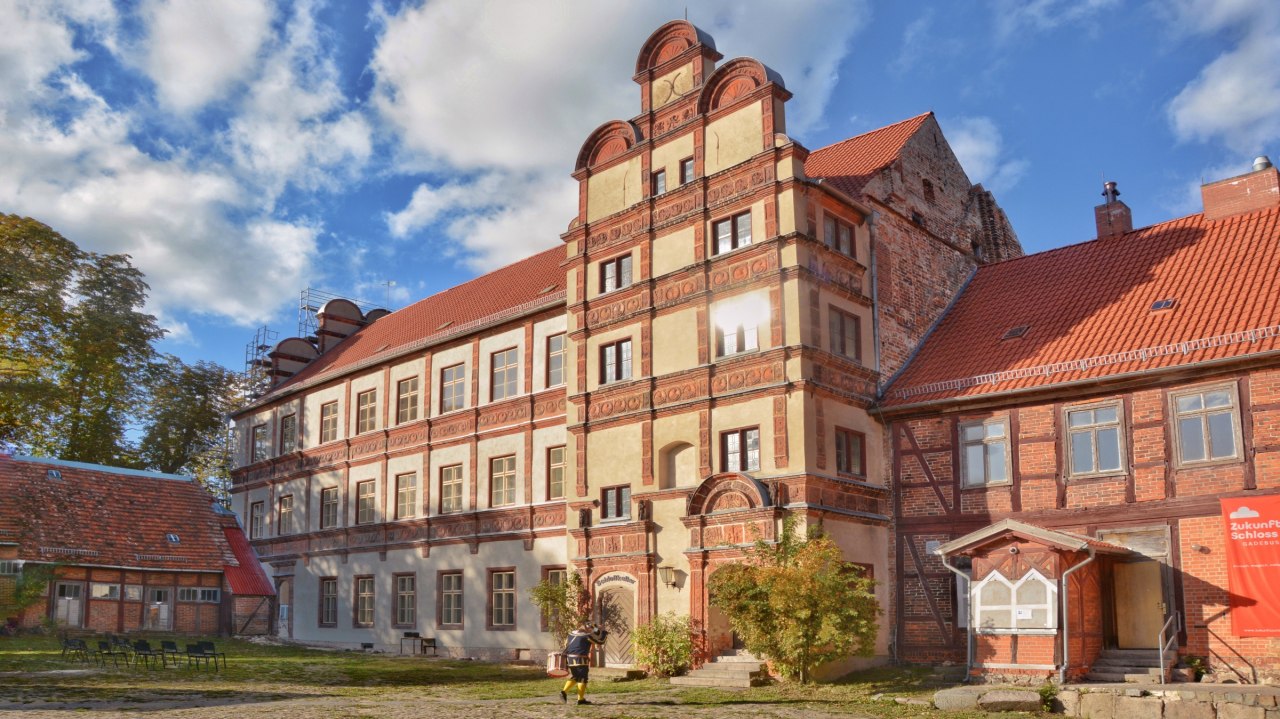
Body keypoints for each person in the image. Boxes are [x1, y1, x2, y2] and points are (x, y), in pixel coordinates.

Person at [560, 622, 607, 705]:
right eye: (590, 629)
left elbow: (566, 644)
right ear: (587, 629)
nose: (591, 631)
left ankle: (564, 692)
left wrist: (597, 629)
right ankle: (579, 699)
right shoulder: (586, 637)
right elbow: (600, 641)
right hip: (580, 659)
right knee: (582, 678)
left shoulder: (570, 635)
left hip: (570, 659)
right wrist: (604, 632)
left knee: (576, 677)